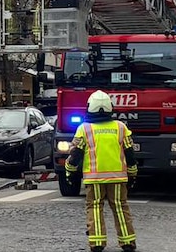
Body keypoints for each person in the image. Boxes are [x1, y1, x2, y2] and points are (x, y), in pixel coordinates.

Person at [63, 90, 137, 252]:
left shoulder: (84, 129)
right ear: (110, 108)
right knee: (120, 207)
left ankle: (97, 243)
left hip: (94, 178)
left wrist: (69, 171)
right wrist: (132, 173)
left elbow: (75, 154)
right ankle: (127, 242)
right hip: (118, 178)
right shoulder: (120, 127)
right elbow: (130, 154)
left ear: (90, 108)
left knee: (95, 208)